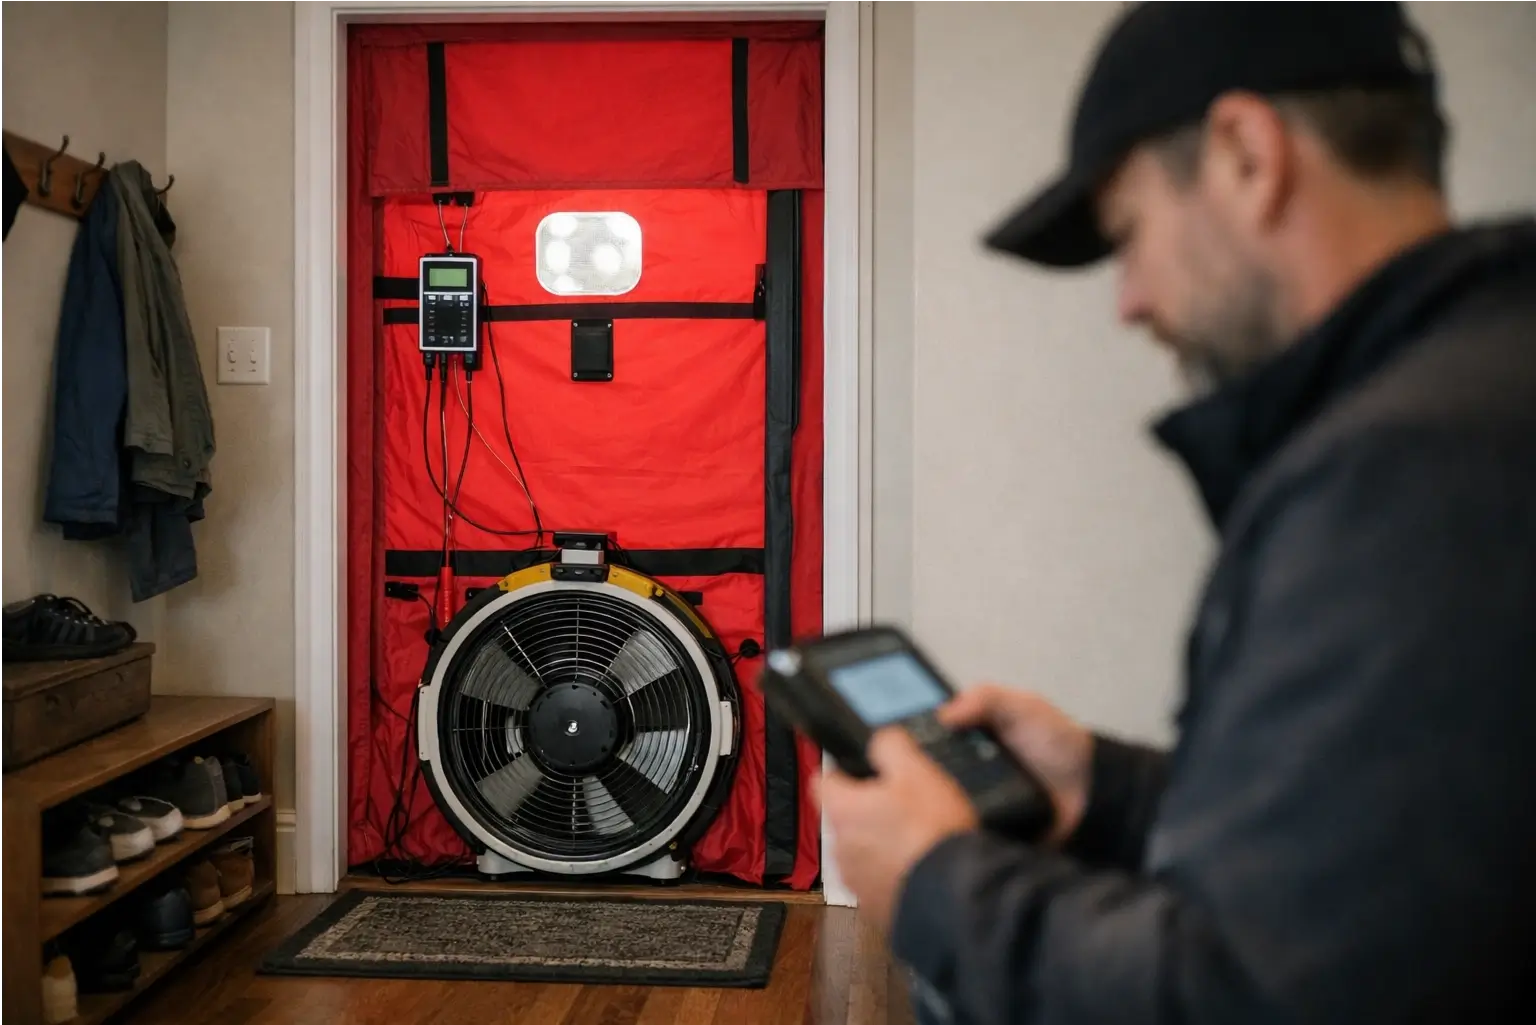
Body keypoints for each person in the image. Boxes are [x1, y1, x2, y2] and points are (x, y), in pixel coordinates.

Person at [817, 0, 1536, 1022]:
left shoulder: (1403, 470)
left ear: (1248, 154)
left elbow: (1248, 996)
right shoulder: (1490, 391)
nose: (1130, 302)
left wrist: (935, 883)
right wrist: (1104, 790)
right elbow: (1394, 853)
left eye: (1129, 235)